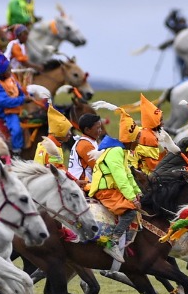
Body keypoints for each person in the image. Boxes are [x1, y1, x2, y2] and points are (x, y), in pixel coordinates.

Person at [89, 107, 142, 264]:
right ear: (131, 138)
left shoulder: (122, 151)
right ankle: (111, 242)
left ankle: (127, 243)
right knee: (131, 211)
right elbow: (120, 178)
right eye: (138, 137)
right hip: (105, 191)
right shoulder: (116, 152)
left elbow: (128, 175)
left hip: (113, 190)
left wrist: (137, 192)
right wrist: (132, 198)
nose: (139, 141)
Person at [0, 49, 33, 156]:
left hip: (17, 108)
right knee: (17, 130)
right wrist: (22, 100)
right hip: (6, 112)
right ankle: (16, 152)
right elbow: (4, 102)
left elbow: (19, 90)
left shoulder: (11, 78)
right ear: (3, 72)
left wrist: (26, 96)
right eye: (9, 69)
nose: (11, 70)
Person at [130, 94, 164, 174]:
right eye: (161, 120)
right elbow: (153, 166)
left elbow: (149, 157)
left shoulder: (142, 130)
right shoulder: (150, 137)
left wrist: (164, 154)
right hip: (141, 174)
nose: (163, 123)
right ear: (154, 121)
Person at [67, 113, 104, 186]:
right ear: (87, 130)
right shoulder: (85, 145)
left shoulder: (89, 140)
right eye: (98, 128)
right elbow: (99, 167)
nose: (100, 130)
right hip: (82, 184)